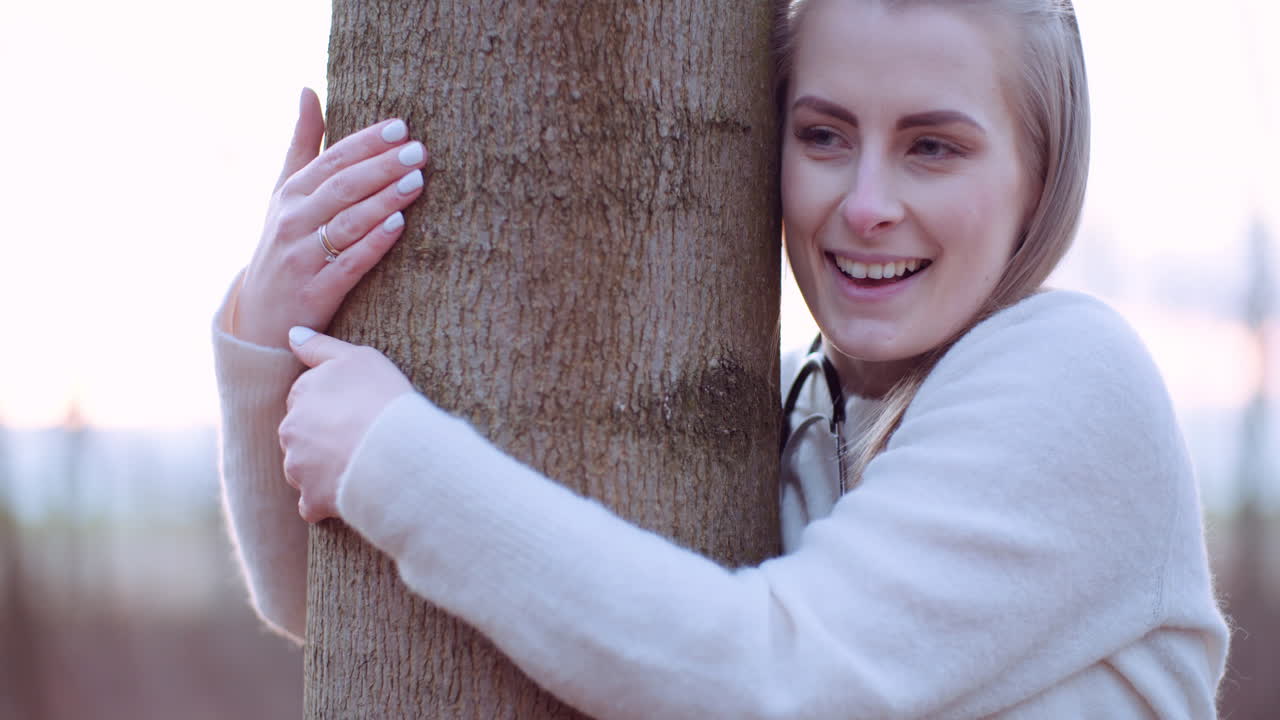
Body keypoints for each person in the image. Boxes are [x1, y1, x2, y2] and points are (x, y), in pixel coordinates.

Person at [214, 0, 1229, 717]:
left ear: (1037, 174)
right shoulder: (807, 410)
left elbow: (767, 681)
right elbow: (332, 603)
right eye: (825, 134)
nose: (866, 202)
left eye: (932, 146)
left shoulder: (1070, 377)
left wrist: (394, 459)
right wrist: (268, 332)